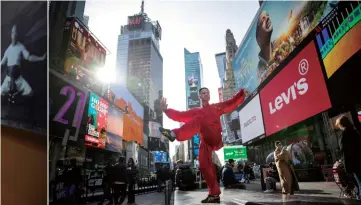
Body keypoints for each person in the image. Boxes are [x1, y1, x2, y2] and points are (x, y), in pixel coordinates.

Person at [159, 87, 248, 203]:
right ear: (200, 96)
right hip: (205, 141)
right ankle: (214, 194)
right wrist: (166, 110)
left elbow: (230, 103)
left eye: (208, 93)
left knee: (199, 119)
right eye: (203, 93)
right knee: (204, 166)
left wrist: (241, 94)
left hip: (214, 136)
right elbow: (181, 115)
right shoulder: (196, 111)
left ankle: (174, 134)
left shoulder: (216, 107)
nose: (206, 95)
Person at [1, 24, 46, 97]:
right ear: (11, 34)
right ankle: (10, 95)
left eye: (16, 32)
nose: (14, 34)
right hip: (8, 80)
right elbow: (1, 63)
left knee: (30, 93)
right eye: (13, 32)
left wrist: (41, 58)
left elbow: (29, 57)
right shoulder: (7, 50)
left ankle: (16, 96)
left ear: (18, 34)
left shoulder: (21, 47)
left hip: (19, 79)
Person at [335, 115, 361, 200]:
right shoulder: (355, 132)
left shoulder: (343, 135)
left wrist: (346, 167)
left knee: (359, 184)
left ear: (341, 124)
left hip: (353, 163)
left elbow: (345, 152)